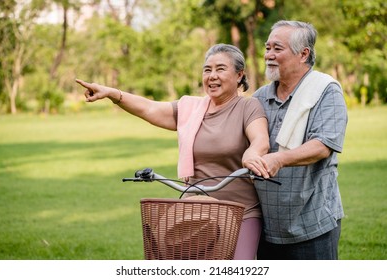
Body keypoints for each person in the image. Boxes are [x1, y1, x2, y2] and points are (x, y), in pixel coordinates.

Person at [76, 43, 270, 260]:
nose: (212, 76)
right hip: (195, 211)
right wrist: (112, 93)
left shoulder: (248, 107)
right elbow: (149, 108)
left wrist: (253, 153)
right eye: (207, 70)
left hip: (240, 211)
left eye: (220, 69)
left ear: (239, 75)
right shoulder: (191, 108)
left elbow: (260, 139)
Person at [244, 20, 348, 260]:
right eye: (267, 48)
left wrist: (279, 159)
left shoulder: (326, 90)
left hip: (313, 224)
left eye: (277, 49)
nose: (268, 55)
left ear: (303, 54)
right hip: (267, 226)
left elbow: (323, 145)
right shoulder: (259, 97)